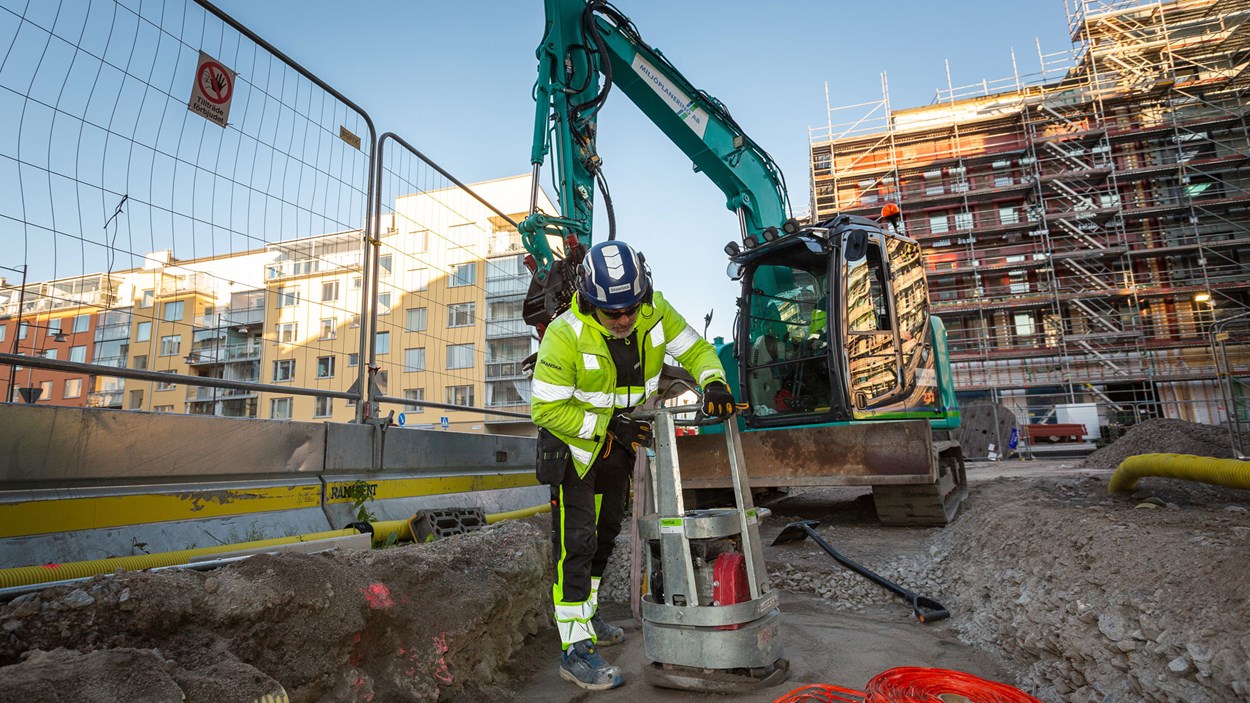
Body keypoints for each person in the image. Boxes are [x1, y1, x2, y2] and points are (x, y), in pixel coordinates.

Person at [531, 240, 740, 691]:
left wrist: (715, 382)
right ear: (589, 301)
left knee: (606, 535)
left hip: (619, 443)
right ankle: (573, 648)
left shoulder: (655, 312)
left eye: (630, 308)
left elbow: (697, 350)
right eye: (612, 313)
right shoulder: (564, 334)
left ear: (643, 295)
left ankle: (588, 618)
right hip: (575, 448)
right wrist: (610, 427)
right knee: (577, 542)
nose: (624, 319)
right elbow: (545, 411)